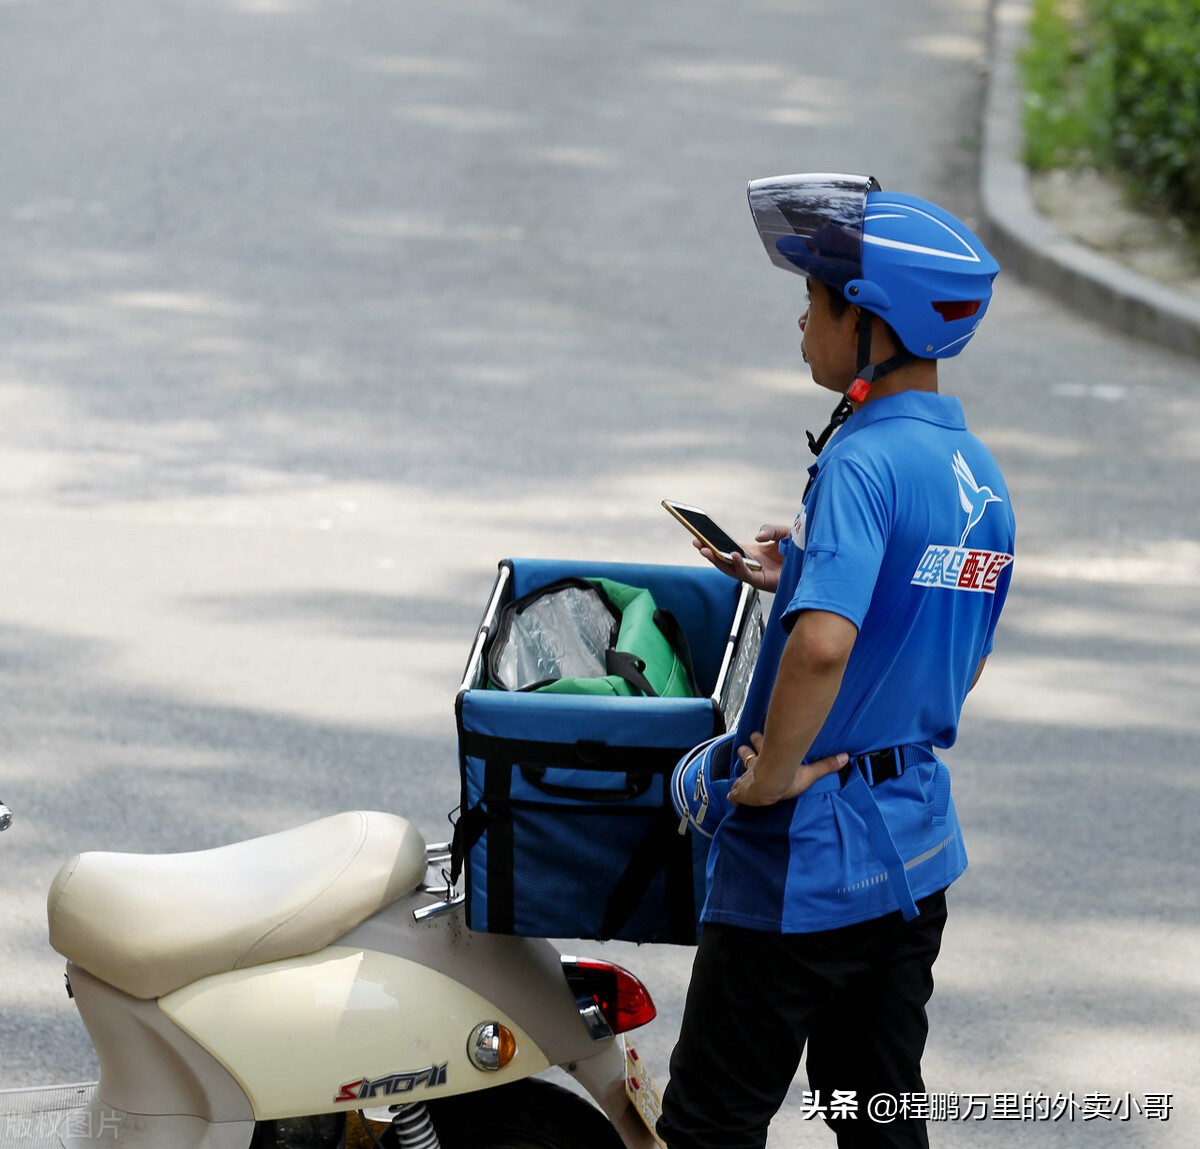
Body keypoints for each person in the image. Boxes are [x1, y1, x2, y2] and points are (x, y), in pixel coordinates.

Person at [657, 174, 1015, 1149]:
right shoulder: (977, 473)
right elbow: (949, 649)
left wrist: (767, 779)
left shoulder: (858, 462)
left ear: (870, 323)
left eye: (814, 304)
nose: (801, 326)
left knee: (709, 1125)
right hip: (914, 855)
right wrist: (808, 573)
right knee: (876, 1113)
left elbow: (825, 643)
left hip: (803, 859)